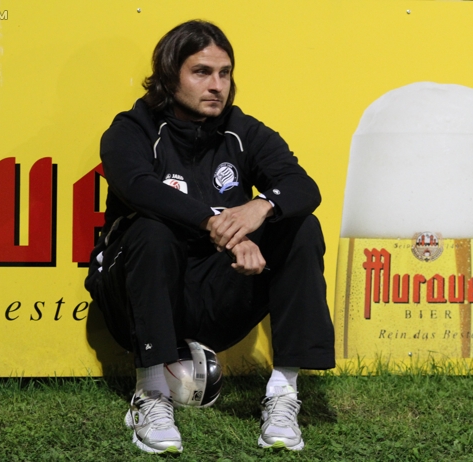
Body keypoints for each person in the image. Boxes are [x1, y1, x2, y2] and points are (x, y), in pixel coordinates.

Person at [85, 19, 335, 454]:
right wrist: (217, 225)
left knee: (300, 226)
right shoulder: (133, 128)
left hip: (215, 297)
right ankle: (151, 395)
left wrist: (262, 207)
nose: (217, 85)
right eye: (201, 72)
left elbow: (303, 186)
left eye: (225, 73)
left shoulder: (242, 130)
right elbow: (139, 186)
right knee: (150, 228)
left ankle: (282, 393)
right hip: (140, 298)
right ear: (169, 75)